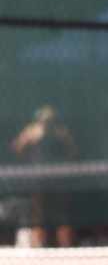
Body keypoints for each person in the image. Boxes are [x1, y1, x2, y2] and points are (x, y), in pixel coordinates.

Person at [9, 105, 78, 247]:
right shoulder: (31, 132)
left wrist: (63, 141)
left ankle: (66, 249)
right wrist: (28, 139)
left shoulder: (61, 132)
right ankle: (38, 248)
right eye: (44, 120)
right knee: (38, 215)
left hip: (58, 179)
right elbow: (16, 149)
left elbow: (73, 152)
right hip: (38, 178)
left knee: (62, 215)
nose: (46, 123)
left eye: (50, 120)